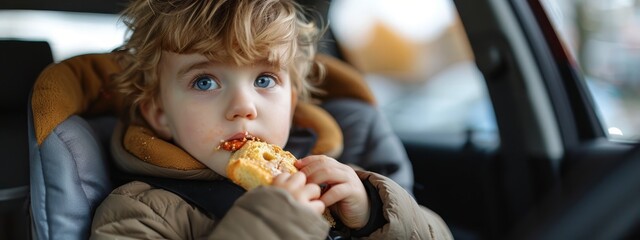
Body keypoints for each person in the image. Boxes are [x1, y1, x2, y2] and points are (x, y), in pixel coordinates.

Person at [90, 0, 452, 239]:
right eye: (204, 81)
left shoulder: (338, 181)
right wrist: (270, 227)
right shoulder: (140, 211)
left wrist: (374, 215)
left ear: (292, 103)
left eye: (264, 80)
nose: (243, 106)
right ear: (160, 113)